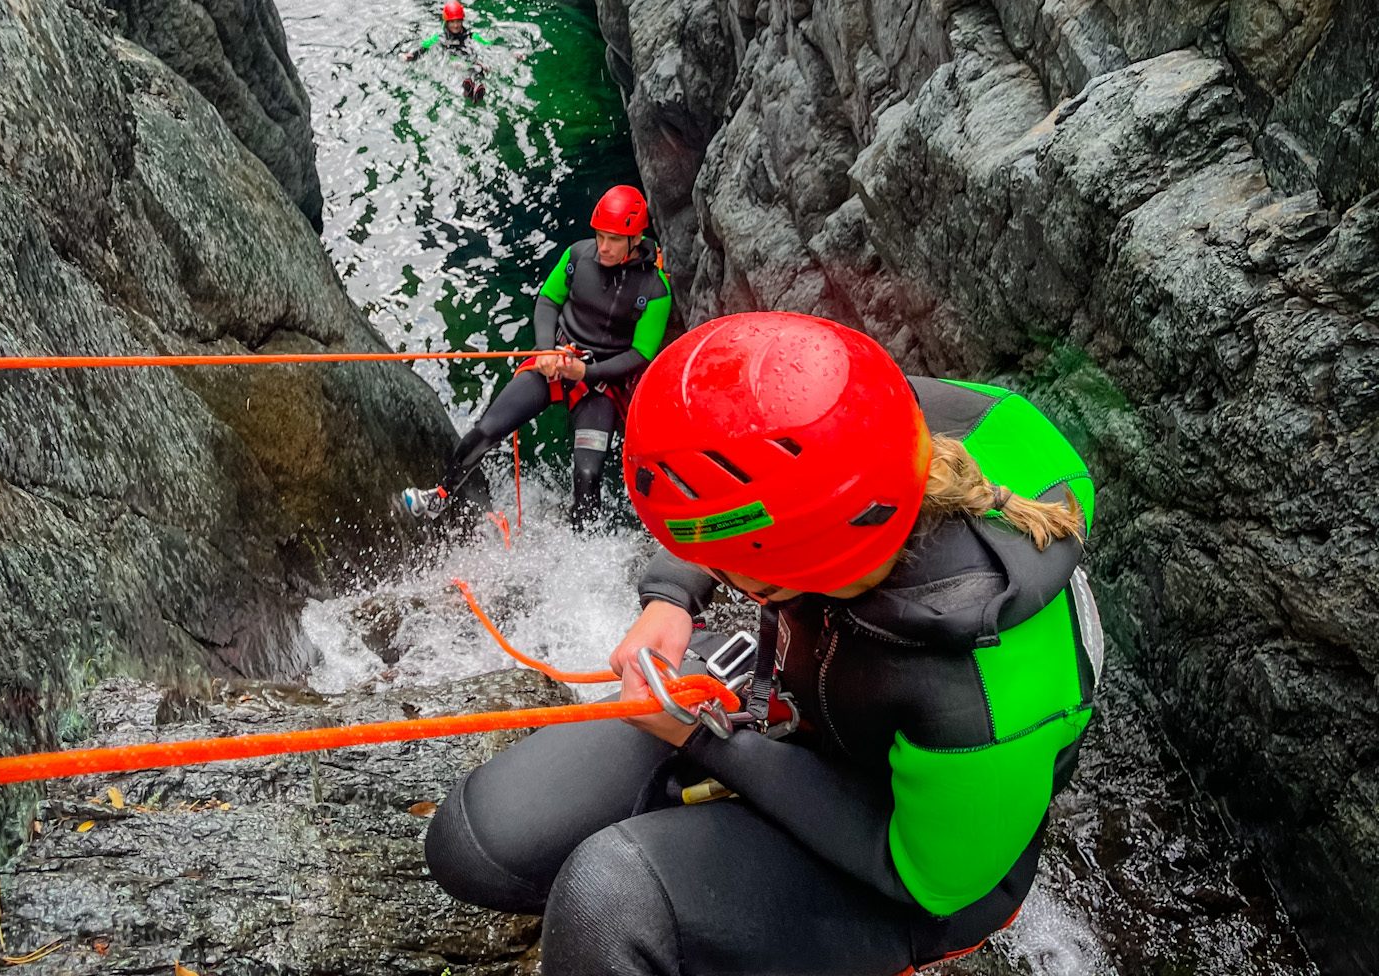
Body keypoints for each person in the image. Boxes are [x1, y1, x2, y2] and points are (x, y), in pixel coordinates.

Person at [423, 310, 1101, 976]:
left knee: (608, 899)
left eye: (723, 571)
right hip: (807, 701)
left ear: (783, 574)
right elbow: (768, 459)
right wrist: (672, 597)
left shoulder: (984, 700)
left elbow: (928, 880)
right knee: (476, 841)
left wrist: (709, 742)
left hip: (908, 865)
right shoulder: (881, 425)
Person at [401, 185, 673, 528]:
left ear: (635, 239)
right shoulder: (577, 257)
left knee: (587, 475)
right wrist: (546, 349)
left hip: (600, 383)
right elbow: (547, 300)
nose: (603, 247)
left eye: (614, 240)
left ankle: (581, 544)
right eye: (600, 236)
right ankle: (440, 496)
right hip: (555, 363)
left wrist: (585, 373)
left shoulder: (655, 290)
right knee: (487, 430)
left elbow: (641, 353)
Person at [405, 0, 499, 98]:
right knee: (460, 69)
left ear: (462, 20)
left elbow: (488, 45)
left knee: (478, 68)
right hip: (453, 63)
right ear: (446, 22)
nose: (456, 25)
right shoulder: (440, 37)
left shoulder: (470, 35)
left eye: (458, 21)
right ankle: (467, 90)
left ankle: (476, 90)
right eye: (452, 22)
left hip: (469, 61)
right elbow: (425, 46)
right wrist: (412, 55)